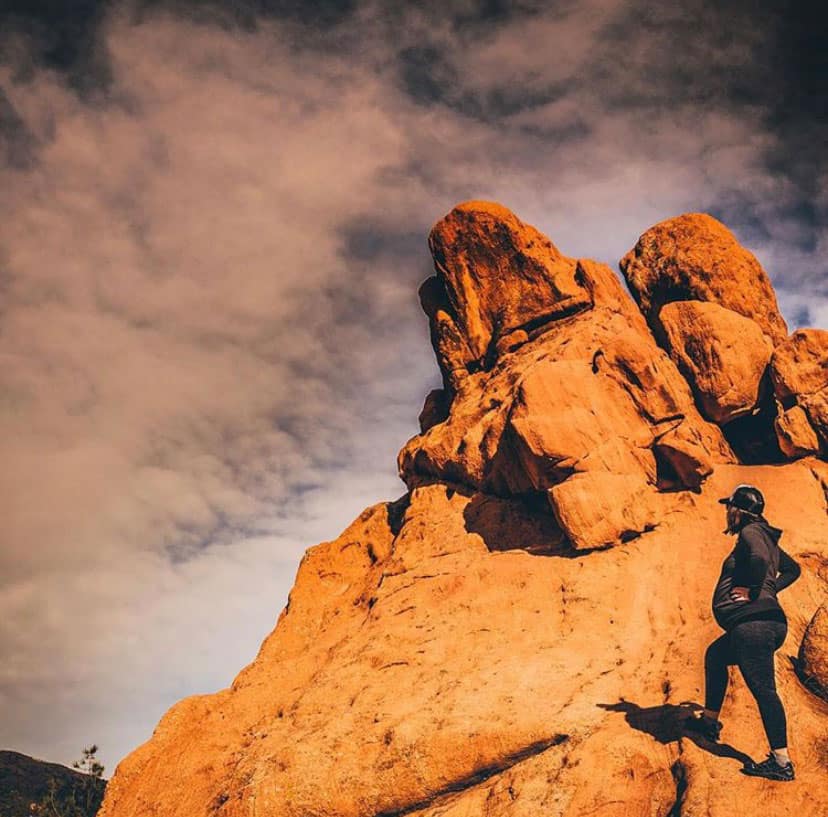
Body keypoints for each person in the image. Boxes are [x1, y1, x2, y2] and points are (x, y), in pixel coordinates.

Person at [685, 484, 801, 781]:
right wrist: (769, 590)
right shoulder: (764, 535)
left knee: (764, 691)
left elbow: (761, 561)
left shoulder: (751, 532)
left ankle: (781, 762)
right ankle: (709, 722)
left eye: (729, 508)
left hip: (754, 627)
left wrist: (750, 590)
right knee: (715, 655)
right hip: (763, 623)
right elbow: (792, 570)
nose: (727, 513)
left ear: (739, 511)